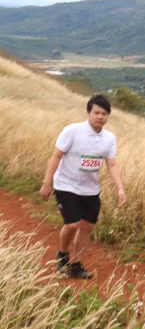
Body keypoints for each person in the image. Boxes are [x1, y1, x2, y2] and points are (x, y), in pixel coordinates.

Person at [39, 94, 127, 279]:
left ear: (108, 115)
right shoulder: (72, 131)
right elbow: (56, 156)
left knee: (86, 227)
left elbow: (112, 164)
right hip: (66, 184)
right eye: (96, 112)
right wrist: (47, 183)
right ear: (89, 112)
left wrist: (120, 188)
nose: (100, 117)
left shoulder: (109, 138)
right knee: (72, 224)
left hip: (90, 189)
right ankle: (63, 254)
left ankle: (77, 265)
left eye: (104, 113)